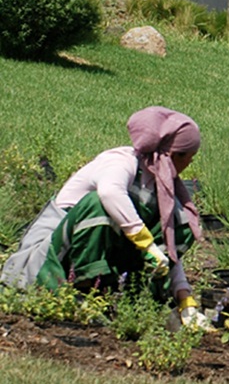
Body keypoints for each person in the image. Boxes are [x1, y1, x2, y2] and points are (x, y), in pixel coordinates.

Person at [1, 107, 208, 328]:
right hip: (48, 256)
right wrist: (145, 243)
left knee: (182, 223)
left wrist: (185, 298)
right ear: (173, 154)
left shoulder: (160, 186)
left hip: (98, 253)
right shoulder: (121, 162)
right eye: (190, 156)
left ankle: (137, 302)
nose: (190, 163)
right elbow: (109, 193)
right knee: (98, 204)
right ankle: (83, 291)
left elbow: (168, 247)